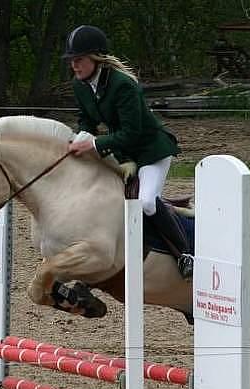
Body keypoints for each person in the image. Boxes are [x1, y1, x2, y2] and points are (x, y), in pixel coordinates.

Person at [64, 25, 193, 279]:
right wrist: (77, 139)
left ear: (96, 58)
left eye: (79, 60)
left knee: (145, 201)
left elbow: (131, 133)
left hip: (151, 150)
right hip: (124, 152)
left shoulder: (122, 85)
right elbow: (86, 121)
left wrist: (93, 145)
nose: (75, 66)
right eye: (72, 61)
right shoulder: (80, 85)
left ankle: (185, 255)